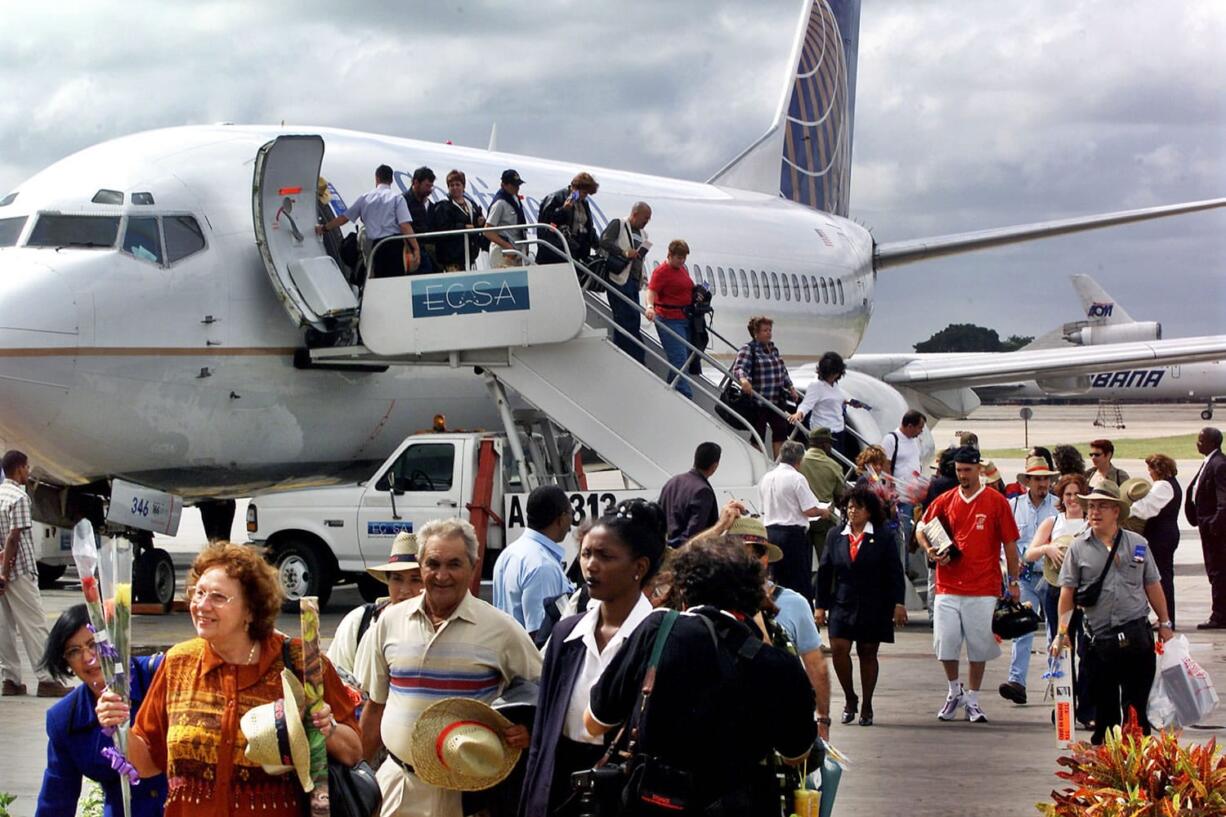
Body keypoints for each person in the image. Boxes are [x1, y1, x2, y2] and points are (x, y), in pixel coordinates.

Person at [96, 542, 362, 817]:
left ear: (251, 609)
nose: (201, 605)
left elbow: (353, 751)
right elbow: (148, 763)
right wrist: (119, 725)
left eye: (218, 597)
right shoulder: (178, 664)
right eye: (198, 593)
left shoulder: (302, 663)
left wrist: (324, 728)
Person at [584, 536, 817, 816]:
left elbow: (595, 722)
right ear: (754, 593)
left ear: (684, 588)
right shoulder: (778, 664)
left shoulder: (658, 629)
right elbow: (797, 754)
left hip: (657, 800)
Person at [358, 518, 542, 817]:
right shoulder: (389, 622)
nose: (442, 575)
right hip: (398, 785)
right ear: (420, 565)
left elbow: (546, 695)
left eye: (454, 564)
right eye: (433, 563)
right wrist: (358, 775)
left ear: (472, 566)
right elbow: (375, 707)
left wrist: (529, 730)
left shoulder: (501, 630)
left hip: (469, 793)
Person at [520, 500, 666, 817]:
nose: (590, 565)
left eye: (605, 556)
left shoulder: (661, 640)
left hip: (625, 789)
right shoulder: (565, 634)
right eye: (586, 553)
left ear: (639, 568)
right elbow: (543, 737)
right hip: (561, 785)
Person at [1053, 482, 1174, 744]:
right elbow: (1067, 594)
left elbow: (1152, 584)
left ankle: (1137, 770)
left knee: (1136, 713)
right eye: (1091, 507)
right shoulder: (1077, 547)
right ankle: (1107, 769)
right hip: (1098, 641)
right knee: (1104, 712)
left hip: (1136, 637)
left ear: (1116, 512)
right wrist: (1062, 632)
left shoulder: (1138, 544)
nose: (1094, 512)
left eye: (1102, 507)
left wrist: (1165, 622)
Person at [916, 446, 1021, 724]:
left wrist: (1013, 581)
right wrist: (929, 549)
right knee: (945, 643)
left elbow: (1010, 544)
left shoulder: (996, 501)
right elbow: (921, 527)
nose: (963, 475)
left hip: (983, 586)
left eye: (968, 470)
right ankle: (954, 689)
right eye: (959, 470)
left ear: (979, 469)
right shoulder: (945, 499)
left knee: (979, 645)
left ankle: (973, 697)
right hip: (947, 584)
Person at [36, 604, 167, 817]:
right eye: (74, 651)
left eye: (94, 644)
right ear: (66, 662)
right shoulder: (64, 718)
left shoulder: (158, 675)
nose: (88, 658)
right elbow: (56, 800)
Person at [727, 514, 832, 741]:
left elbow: (816, 666)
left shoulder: (794, 603)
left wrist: (822, 721)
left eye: (758, 553)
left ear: (766, 558)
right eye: (739, 554)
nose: (750, 561)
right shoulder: (710, 605)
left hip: (783, 725)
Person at [816, 485, 907, 727]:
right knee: (839, 649)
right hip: (842, 602)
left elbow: (894, 572)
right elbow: (825, 572)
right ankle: (850, 698)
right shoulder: (835, 535)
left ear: (870, 511)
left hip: (874, 603)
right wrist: (820, 606)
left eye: (858, 506)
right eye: (850, 506)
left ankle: (867, 704)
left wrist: (899, 602)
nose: (853, 510)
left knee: (868, 653)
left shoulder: (883, 536)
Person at [0, 449, 71, 697]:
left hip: (2, 570)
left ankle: (10, 680)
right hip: (17, 571)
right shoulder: (19, 498)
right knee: (34, 624)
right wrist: (6, 572)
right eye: (27, 468)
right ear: (19, 469)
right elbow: (14, 537)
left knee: (4, 626)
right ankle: (47, 679)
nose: (28, 473)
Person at [999, 455, 1059, 705]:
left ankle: (1058, 681)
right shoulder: (1013, 506)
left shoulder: (1058, 506)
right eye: (1037, 479)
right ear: (1027, 482)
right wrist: (1009, 566)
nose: (1042, 484)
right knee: (1022, 627)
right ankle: (1017, 682)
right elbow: (1005, 542)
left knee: (1054, 632)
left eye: (1045, 479)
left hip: (1052, 576)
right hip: (1024, 577)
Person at [328, 531, 424, 686]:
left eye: (415, 580)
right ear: (387, 581)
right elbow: (334, 676)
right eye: (397, 579)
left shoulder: (437, 629)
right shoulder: (360, 620)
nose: (405, 590)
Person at [493, 485, 575, 633]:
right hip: (530, 655)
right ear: (561, 519)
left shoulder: (510, 553)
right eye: (571, 513)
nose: (571, 521)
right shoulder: (542, 566)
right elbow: (540, 635)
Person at [760, 440, 833, 602]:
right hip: (792, 534)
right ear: (799, 461)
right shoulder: (796, 478)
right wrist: (823, 511)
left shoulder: (766, 477)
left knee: (774, 578)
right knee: (798, 580)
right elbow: (809, 509)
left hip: (770, 532)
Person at [317, 164, 419, 279]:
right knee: (395, 281)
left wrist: (324, 228)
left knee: (378, 279)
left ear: (377, 178)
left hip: (375, 246)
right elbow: (405, 225)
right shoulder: (397, 198)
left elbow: (343, 218)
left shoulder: (365, 198)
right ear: (391, 180)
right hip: (394, 246)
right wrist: (416, 248)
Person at [730, 316, 800, 456]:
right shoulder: (749, 349)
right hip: (758, 402)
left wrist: (791, 387)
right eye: (765, 330)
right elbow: (739, 369)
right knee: (758, 435)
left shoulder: (773, 349)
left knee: (781, 433)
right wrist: (744, 380)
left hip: (776, 400)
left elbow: (782, 371)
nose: (769, 333)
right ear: (755, 333)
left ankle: (779, 464)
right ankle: (760, 461)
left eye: (770, 330)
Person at [1130, 454, 1181, 627]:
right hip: (1166, 534)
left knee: (1160, 577)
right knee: (1163, 575)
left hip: (1160, 536)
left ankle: (1166, 618)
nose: (1149, 473)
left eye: (1151, 469)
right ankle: (1165, 617)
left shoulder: (1163, 486)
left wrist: (1124, 510)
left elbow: (1146, 508)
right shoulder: (1172, 484)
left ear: (1158, 469)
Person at [597, 201, 652, 363]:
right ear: (635, 214)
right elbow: (604, 241)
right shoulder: (619, 225)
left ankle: (632, 356)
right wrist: (623, 252)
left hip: (633, 281)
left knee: (633, 318)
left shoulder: (643, 234)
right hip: (619, 278)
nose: (646, 222)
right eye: (645, 218)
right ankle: (632, 357)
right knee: (624, 317)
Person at [644, 239, 696, 399]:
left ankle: (670, 392)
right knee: (678, 357)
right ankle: (684, 394)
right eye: (679, 257)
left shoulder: (682, 270)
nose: (681, 261)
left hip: (683, 318)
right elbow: (651, 291)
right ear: (670, 255)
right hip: (668, 318)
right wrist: (650, 307)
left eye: (684, 258)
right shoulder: (662, 272)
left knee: (683, 357)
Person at [1186, 427, 1226, 629]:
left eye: (1201, 440)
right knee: (1215, 571)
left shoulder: (1219, 464)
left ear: (1211, 442)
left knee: (1218, 571)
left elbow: (1223, 500)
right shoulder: (1210, 461)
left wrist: (1214, 524)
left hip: (1216, 531)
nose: (1197, 443)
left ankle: (1219, 616)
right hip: (1207, 525)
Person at [790, 351, 866, 457]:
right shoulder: (816, 386)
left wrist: (849, 402)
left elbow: (834, 400)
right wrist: (799, 413)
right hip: (823, 432)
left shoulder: (835, 386)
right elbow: (806, 404)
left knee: (838, 460)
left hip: (838, 429)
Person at [658, 442, 721, 547]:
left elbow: (658, 515)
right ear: (714, 466)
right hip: (685, 554)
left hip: (663, 547)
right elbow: (694, 534)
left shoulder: (673, 481)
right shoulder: (703, 491)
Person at [798, 426, 847, 562]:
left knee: (803, 563)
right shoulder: (833, 466)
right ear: (824, 444)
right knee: (826, 562)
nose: (831, 447)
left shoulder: (798, 462)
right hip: (824, 519)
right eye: (829, 444)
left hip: (801, 517)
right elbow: (840, 495)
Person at [537, 172, 600, 267]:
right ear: (575, 188)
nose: (585, 196)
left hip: (576, 252)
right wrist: (563, 210)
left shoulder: (584, 203)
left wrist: (598, 245)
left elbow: (588, 227)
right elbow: (545, 222)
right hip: (558, 252)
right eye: (584, 192)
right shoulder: (556, 197)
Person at [429, 169, 485, 271]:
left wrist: (480, 223)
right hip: (453, 259)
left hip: (471, 257)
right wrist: (463, 227)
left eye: (457, 184)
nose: (454, 187)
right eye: (451, 185)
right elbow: (443, 229)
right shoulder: (443, 207)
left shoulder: (472, 205)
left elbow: (476, 226)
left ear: (463, 186)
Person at [483, 169, 529, 268]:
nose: (517, 188)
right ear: (504, 185)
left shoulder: (515, 199)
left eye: (518, 185)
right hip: (503, 252)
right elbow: (487, 231)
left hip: (516, 252)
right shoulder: (499, 203)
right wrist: (506, 245)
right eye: (513, 185)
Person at [402, 166, 438, 272]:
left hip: (425, 249)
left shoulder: (424, 203)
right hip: (410, 250)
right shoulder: (404, 201)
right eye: (427, 186)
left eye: (431, 187)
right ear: (416, 182)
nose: (429, 190)